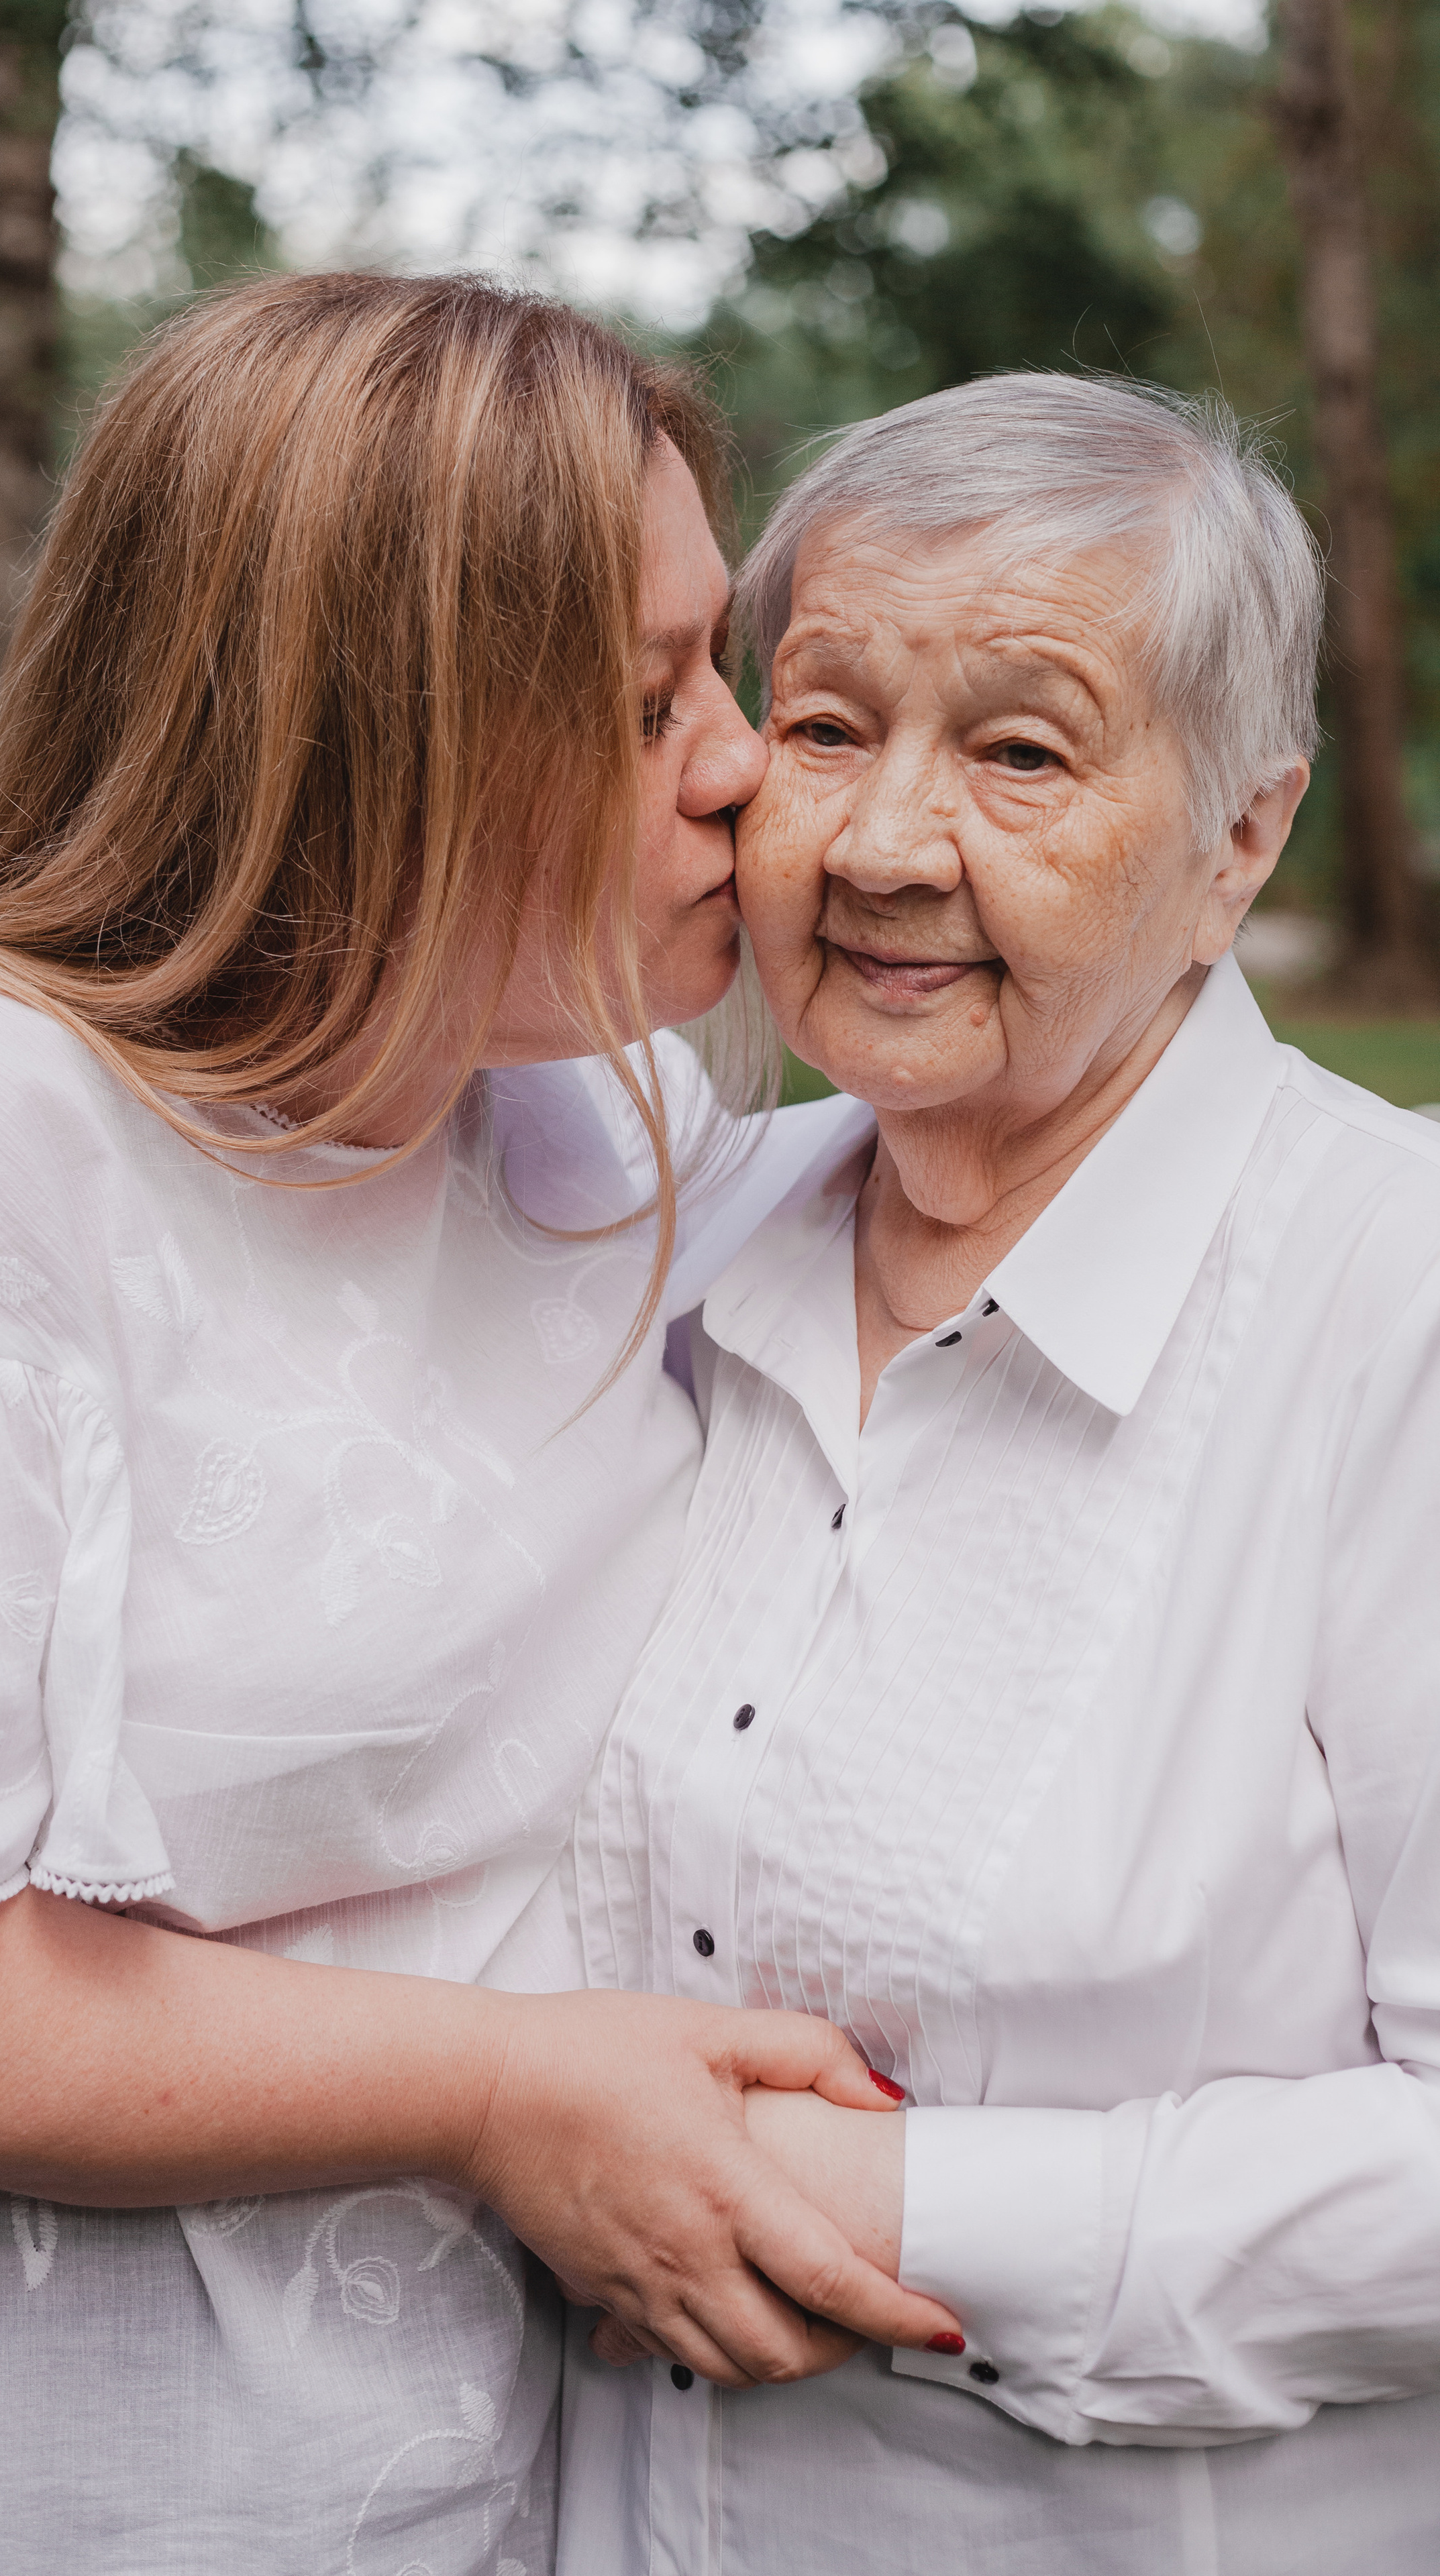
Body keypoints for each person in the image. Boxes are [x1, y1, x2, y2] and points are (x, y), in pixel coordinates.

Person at [0, 275, 954, 2576]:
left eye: (726, 669)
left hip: (478, 2486)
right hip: (7, 2508)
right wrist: (506, 2093)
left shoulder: (599, 1125)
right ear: (366, 726)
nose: (738, 762)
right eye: (644, 697)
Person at [559, 374, 1440, 2575]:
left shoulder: (1391, 1303)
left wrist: (900, 2214)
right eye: (830, 724)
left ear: (1243, 837)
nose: (877, 848)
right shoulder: (672, 1235)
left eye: (1024, 751)